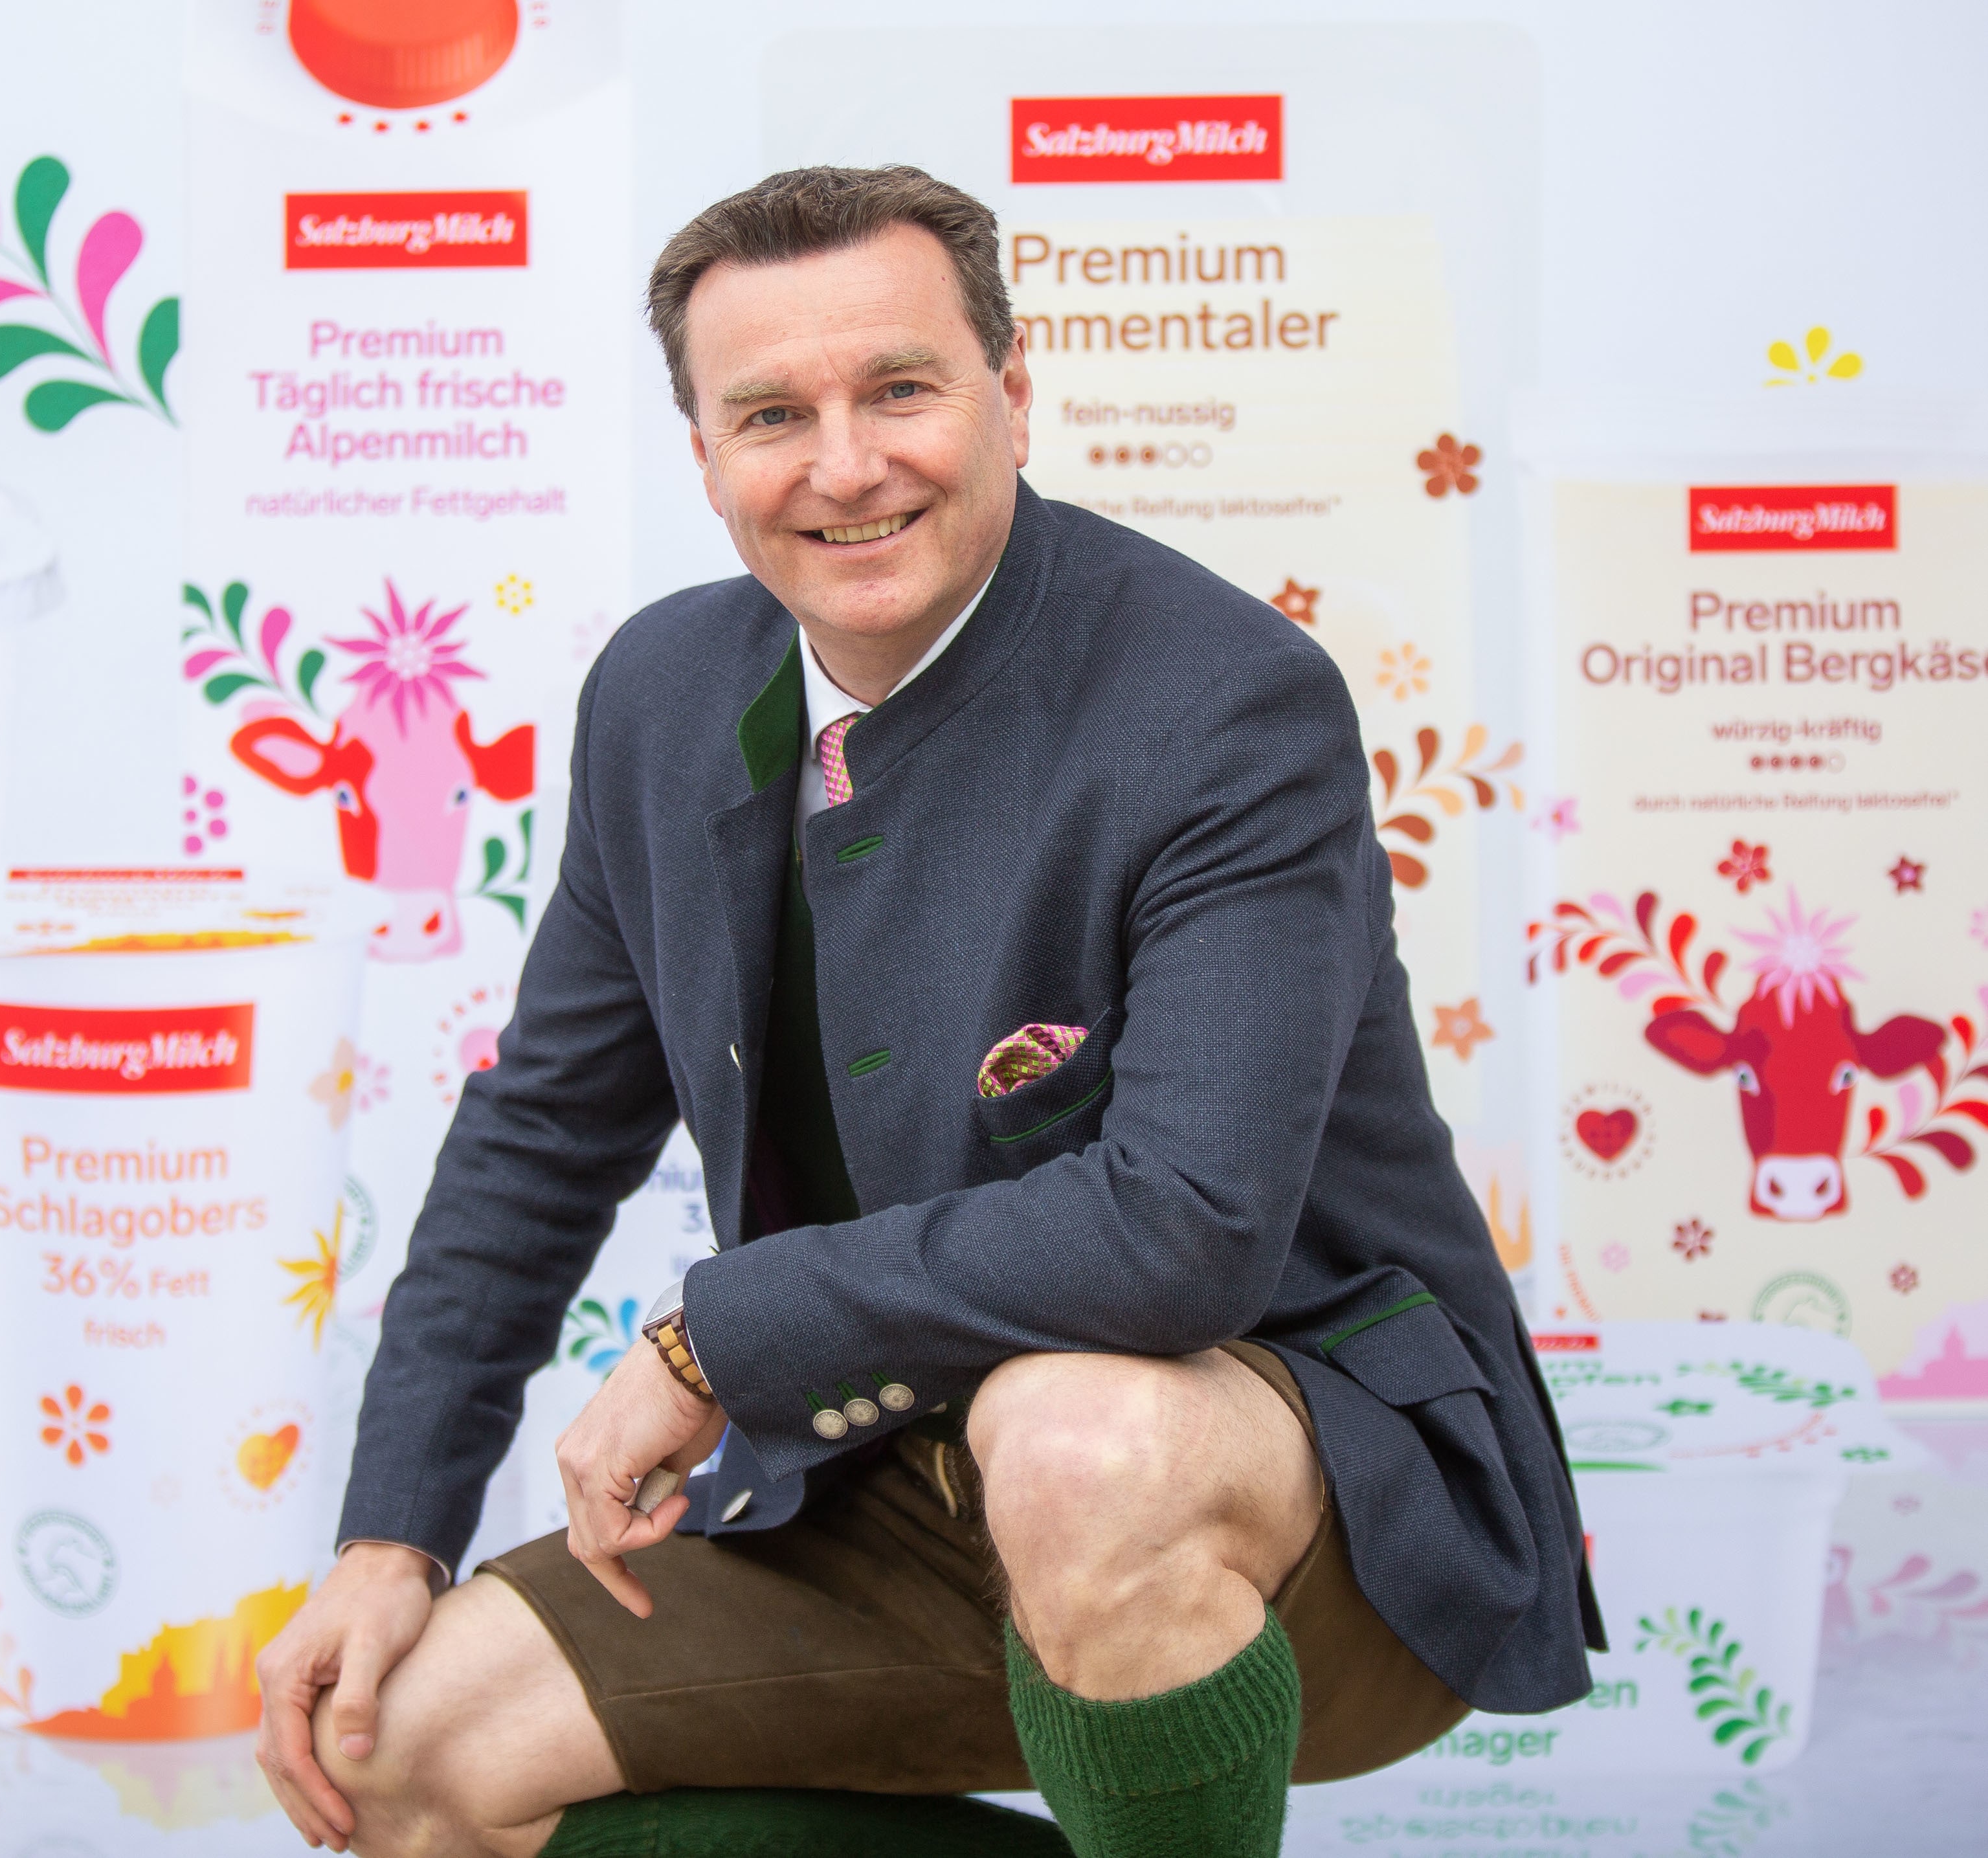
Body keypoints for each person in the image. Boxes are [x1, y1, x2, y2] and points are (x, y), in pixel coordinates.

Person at [254, 164, 1602, 1858]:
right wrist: (390, 1535)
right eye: (771, 414)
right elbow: (540, 1136)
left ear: (1014, 394)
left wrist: (708, 1342)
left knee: (1074, 1438)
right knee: (392, 1755)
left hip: (1298, 1495)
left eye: (900, 389)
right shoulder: (660, 695)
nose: (844, 465)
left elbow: (1184, 1231)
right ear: (702, 454)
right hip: (872, 1477)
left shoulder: (1230, 706)